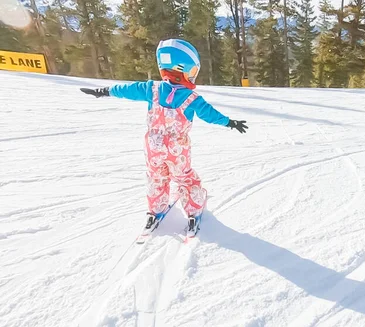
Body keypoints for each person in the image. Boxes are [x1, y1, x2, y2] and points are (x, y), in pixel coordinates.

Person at [80, 39, 249, 233]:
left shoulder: (151, 89)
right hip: (178, 151)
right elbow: (210, 114)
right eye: (192, 72)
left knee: (156, 177)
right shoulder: (192, 98)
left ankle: (155, 210)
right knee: (185, 178)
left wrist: (105, 91)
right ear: (181, 68)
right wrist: (229, 122)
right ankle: (193, 209)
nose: (193, 76)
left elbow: (127, 90)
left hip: (153, 148)